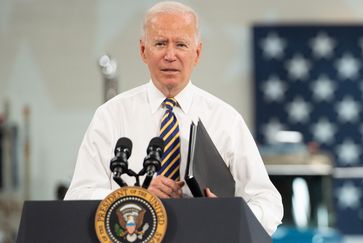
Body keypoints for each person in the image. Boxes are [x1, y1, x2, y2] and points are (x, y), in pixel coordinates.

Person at [64, 1, 283, 235]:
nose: (170, 55)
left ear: (197, 52)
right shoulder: (110, 116)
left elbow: (268, 203)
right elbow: (77, 197)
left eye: (181, 44)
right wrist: (136, 194)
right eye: (160, 43)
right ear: (143, 51)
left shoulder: (226, 120)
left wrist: (228, 214)